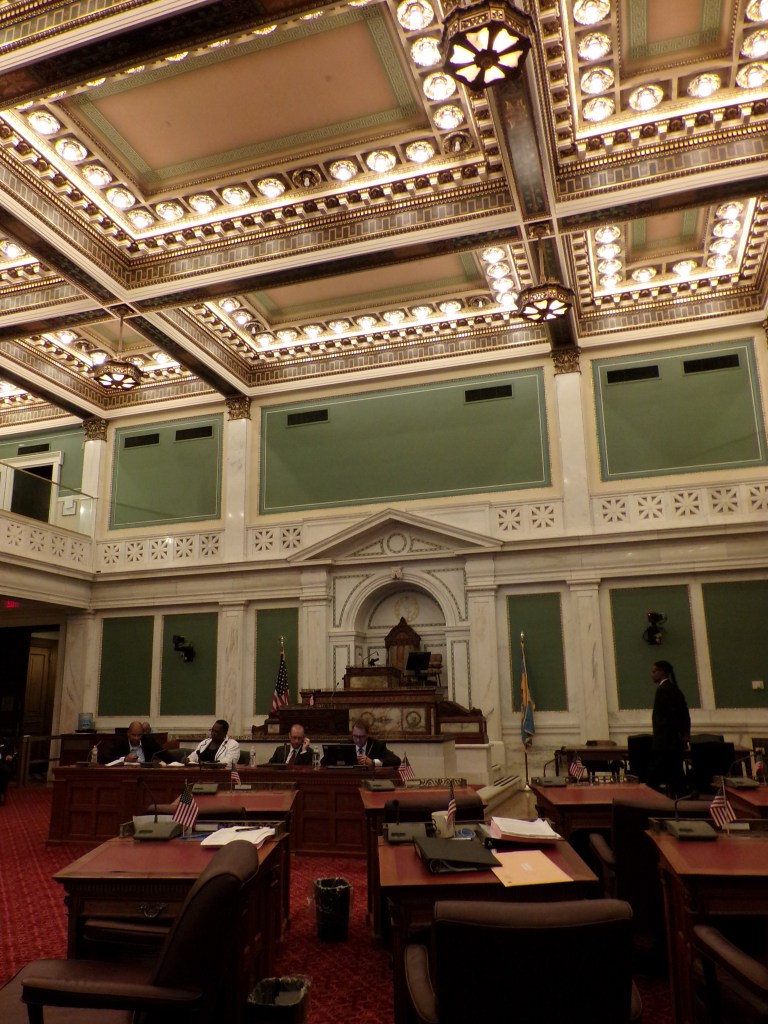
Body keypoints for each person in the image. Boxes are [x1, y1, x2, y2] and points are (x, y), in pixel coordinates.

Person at [648, 659, 691, 797]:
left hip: (665, 742)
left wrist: (659, 739)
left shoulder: (663, 690)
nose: (651, 674)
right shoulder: (673, 689)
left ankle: (649, 797)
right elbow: (684, 714)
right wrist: (685, 734)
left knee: (657, 773)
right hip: (674, 740)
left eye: (654, 671)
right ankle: (682, 796)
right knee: (675, 771)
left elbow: (664, 719)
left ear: (662, 672)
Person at [98, 721, 164, 764]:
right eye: (134, 735)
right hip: (125, 775)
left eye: (139, 735)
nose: (136, 738)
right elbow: (103, 758)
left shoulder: (149, 742)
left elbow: (165, 755)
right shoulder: (119, 743)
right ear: (128, 733)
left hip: (146, 775)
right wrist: (124, 759)